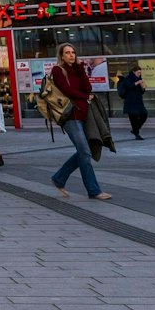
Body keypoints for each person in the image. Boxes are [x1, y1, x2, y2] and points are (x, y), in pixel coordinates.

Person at [47, 44, 110, 200]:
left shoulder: (78, 69)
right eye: (67, 53)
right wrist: (84, 96)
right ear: (61, 56)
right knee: (85, 152)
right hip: (70, 116)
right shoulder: (58, 70)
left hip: (84, 115)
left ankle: (59, 178)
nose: (71, 55)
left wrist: (81, 69)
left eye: (73, 52)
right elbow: (67, 90)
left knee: (84, 151)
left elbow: (87, 88)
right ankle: (94, 190)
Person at [116, 66, 149, 140]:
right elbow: (128, 87)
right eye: (138, 73)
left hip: (138, 101)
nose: (139, 74)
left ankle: (135, 130)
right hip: (130, 102)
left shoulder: (139, 79)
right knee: (133, 119)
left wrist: (143, 87)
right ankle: (137, 134)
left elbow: (142, 91)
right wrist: (137, 83)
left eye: (140, 73)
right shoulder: (128, 78)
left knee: (144, 114)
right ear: (134, 72)